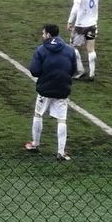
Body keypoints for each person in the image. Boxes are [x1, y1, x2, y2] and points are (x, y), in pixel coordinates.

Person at [25, 24, 77, 160]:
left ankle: (35, 144)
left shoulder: (41, 50)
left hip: (45, 89)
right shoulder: (70, 50)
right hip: (62, 89)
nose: (42, 36)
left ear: (48, 35)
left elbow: (34, 71)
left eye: (43, 34)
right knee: (62, 119)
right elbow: (73, 70)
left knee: (38, 114)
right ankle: (61, 151)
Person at [66, 0, 99, 81]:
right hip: (92, 24)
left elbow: (75, 8)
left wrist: (70, 21)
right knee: (91, 49)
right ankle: (92, 73)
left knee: (72, 46)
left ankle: (80, 71)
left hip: (80, 25)